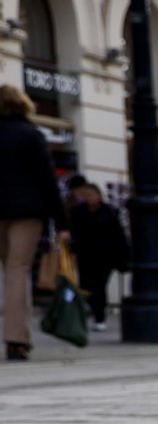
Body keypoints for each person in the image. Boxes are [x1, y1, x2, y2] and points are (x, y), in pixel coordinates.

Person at [0, 84, 67, 361]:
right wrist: (62, 222)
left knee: (8, 270)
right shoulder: (32, 135)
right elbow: (47, 181)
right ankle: (16, 340)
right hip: (27, 212)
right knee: (18, 271)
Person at [69, 182, 128, 332]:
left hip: (105, 256)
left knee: (99, 287)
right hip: (85, 255)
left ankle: (99, 316)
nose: (89, 199)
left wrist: (122, 258)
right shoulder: (78, 212)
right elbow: (74, 232)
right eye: (86, 196)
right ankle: (90, 311)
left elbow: (118, 235)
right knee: (85, 286)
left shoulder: (109, 212)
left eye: (91, 195)